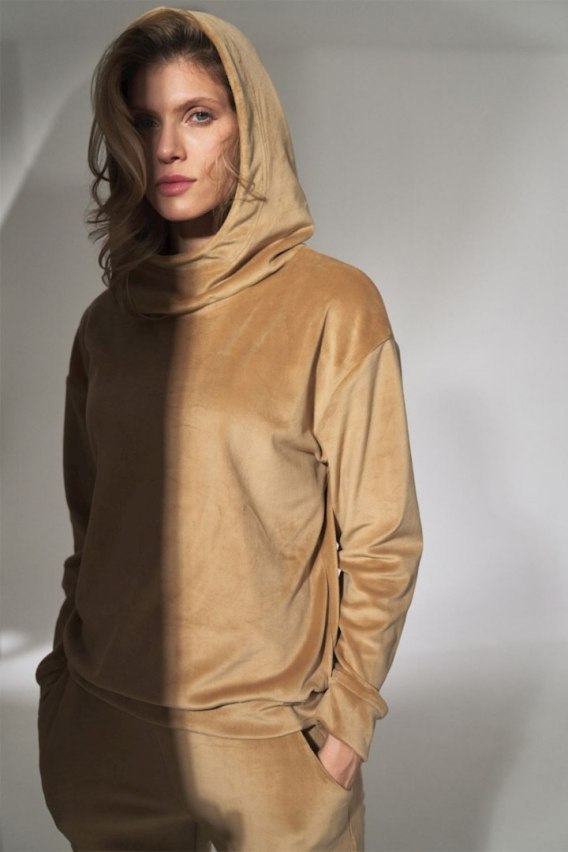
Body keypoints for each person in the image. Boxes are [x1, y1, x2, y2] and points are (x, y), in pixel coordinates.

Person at [35, 7, 424, 851]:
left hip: (270, 745)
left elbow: (382, 539)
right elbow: (92, 528)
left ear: (251, 128)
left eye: (199, 115)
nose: (167, 148)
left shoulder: (332, 304)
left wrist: (348, 721)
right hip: (107, 736)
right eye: (144, 122)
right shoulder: (107, 323)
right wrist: (62, 686)